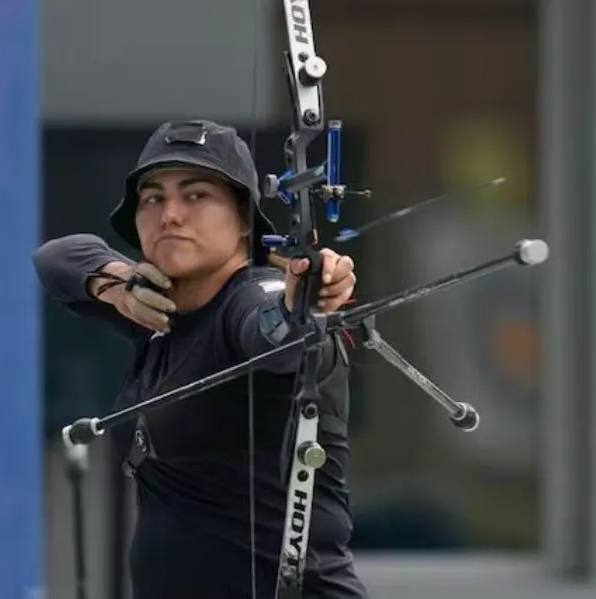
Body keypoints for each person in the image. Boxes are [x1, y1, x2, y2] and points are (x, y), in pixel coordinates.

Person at [33, 120, 369, 599]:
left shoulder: (251, 300)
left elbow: (276, 338)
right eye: (153, 198)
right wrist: (115, 285)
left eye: (196, 196)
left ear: (245, 220)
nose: (170, 214)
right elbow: (56, 258)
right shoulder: (155, 312)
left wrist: (304, 306)